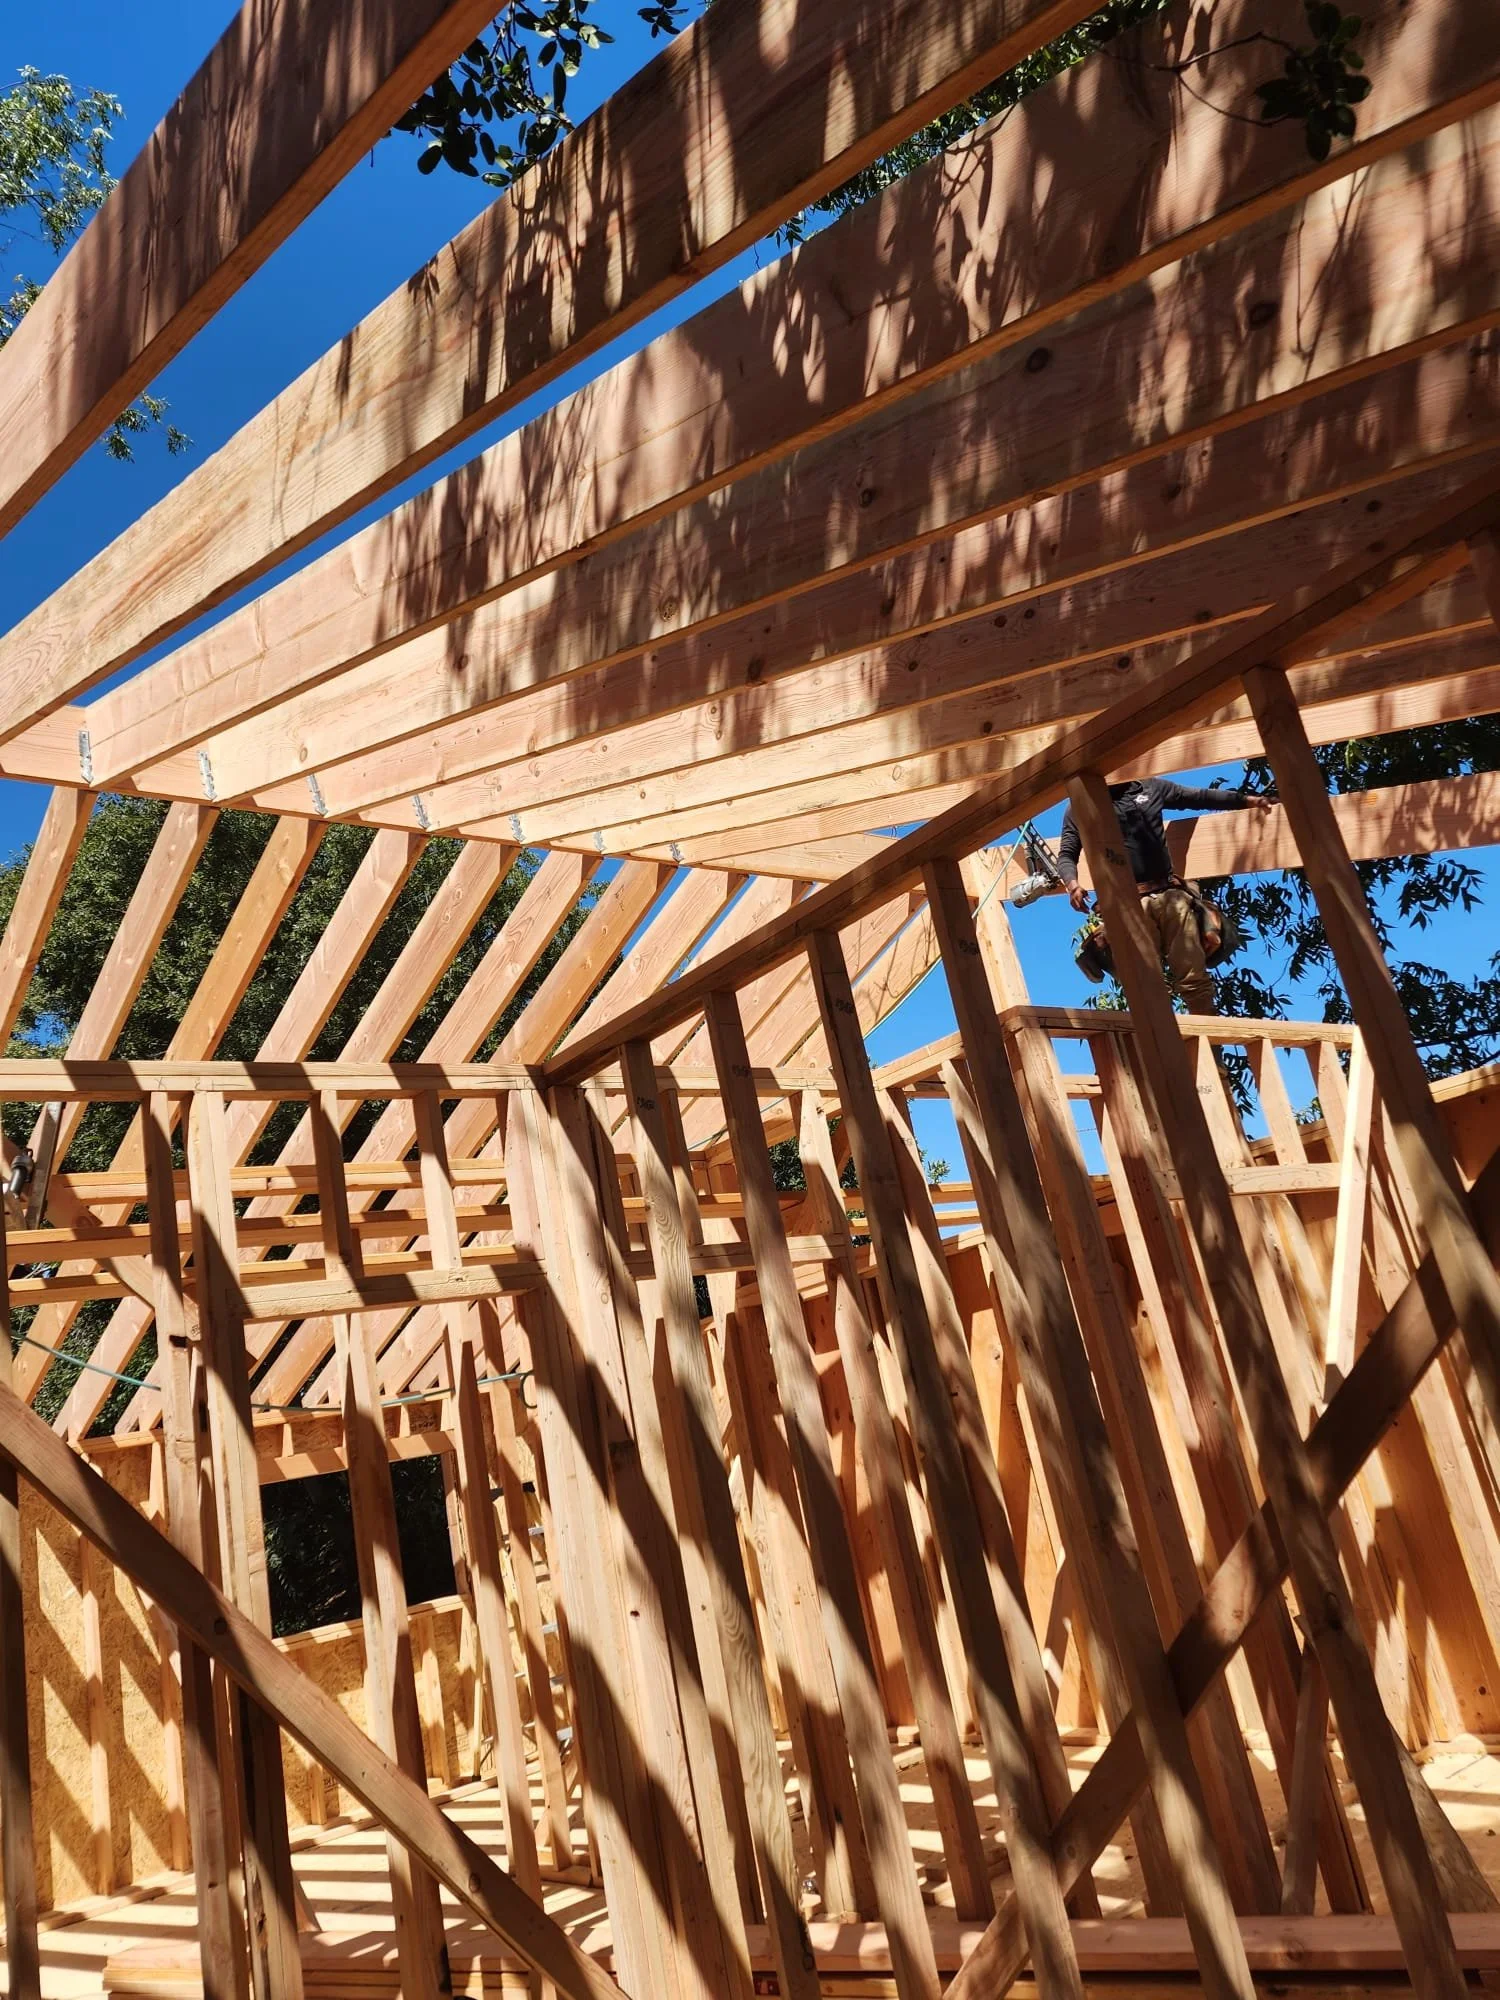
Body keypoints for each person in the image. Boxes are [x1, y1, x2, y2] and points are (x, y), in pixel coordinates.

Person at [1056, 777, 1273, 1012]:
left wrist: (1249, 800)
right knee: (1146, 984)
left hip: (1170, 896)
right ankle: (1162, 1038)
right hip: (1128, 905)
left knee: (1192, 974)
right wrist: (1072, 884)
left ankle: (1209, 1044)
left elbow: (1198, 797)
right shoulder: (1079, 806)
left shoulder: (1150, 788)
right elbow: (1067, 853)